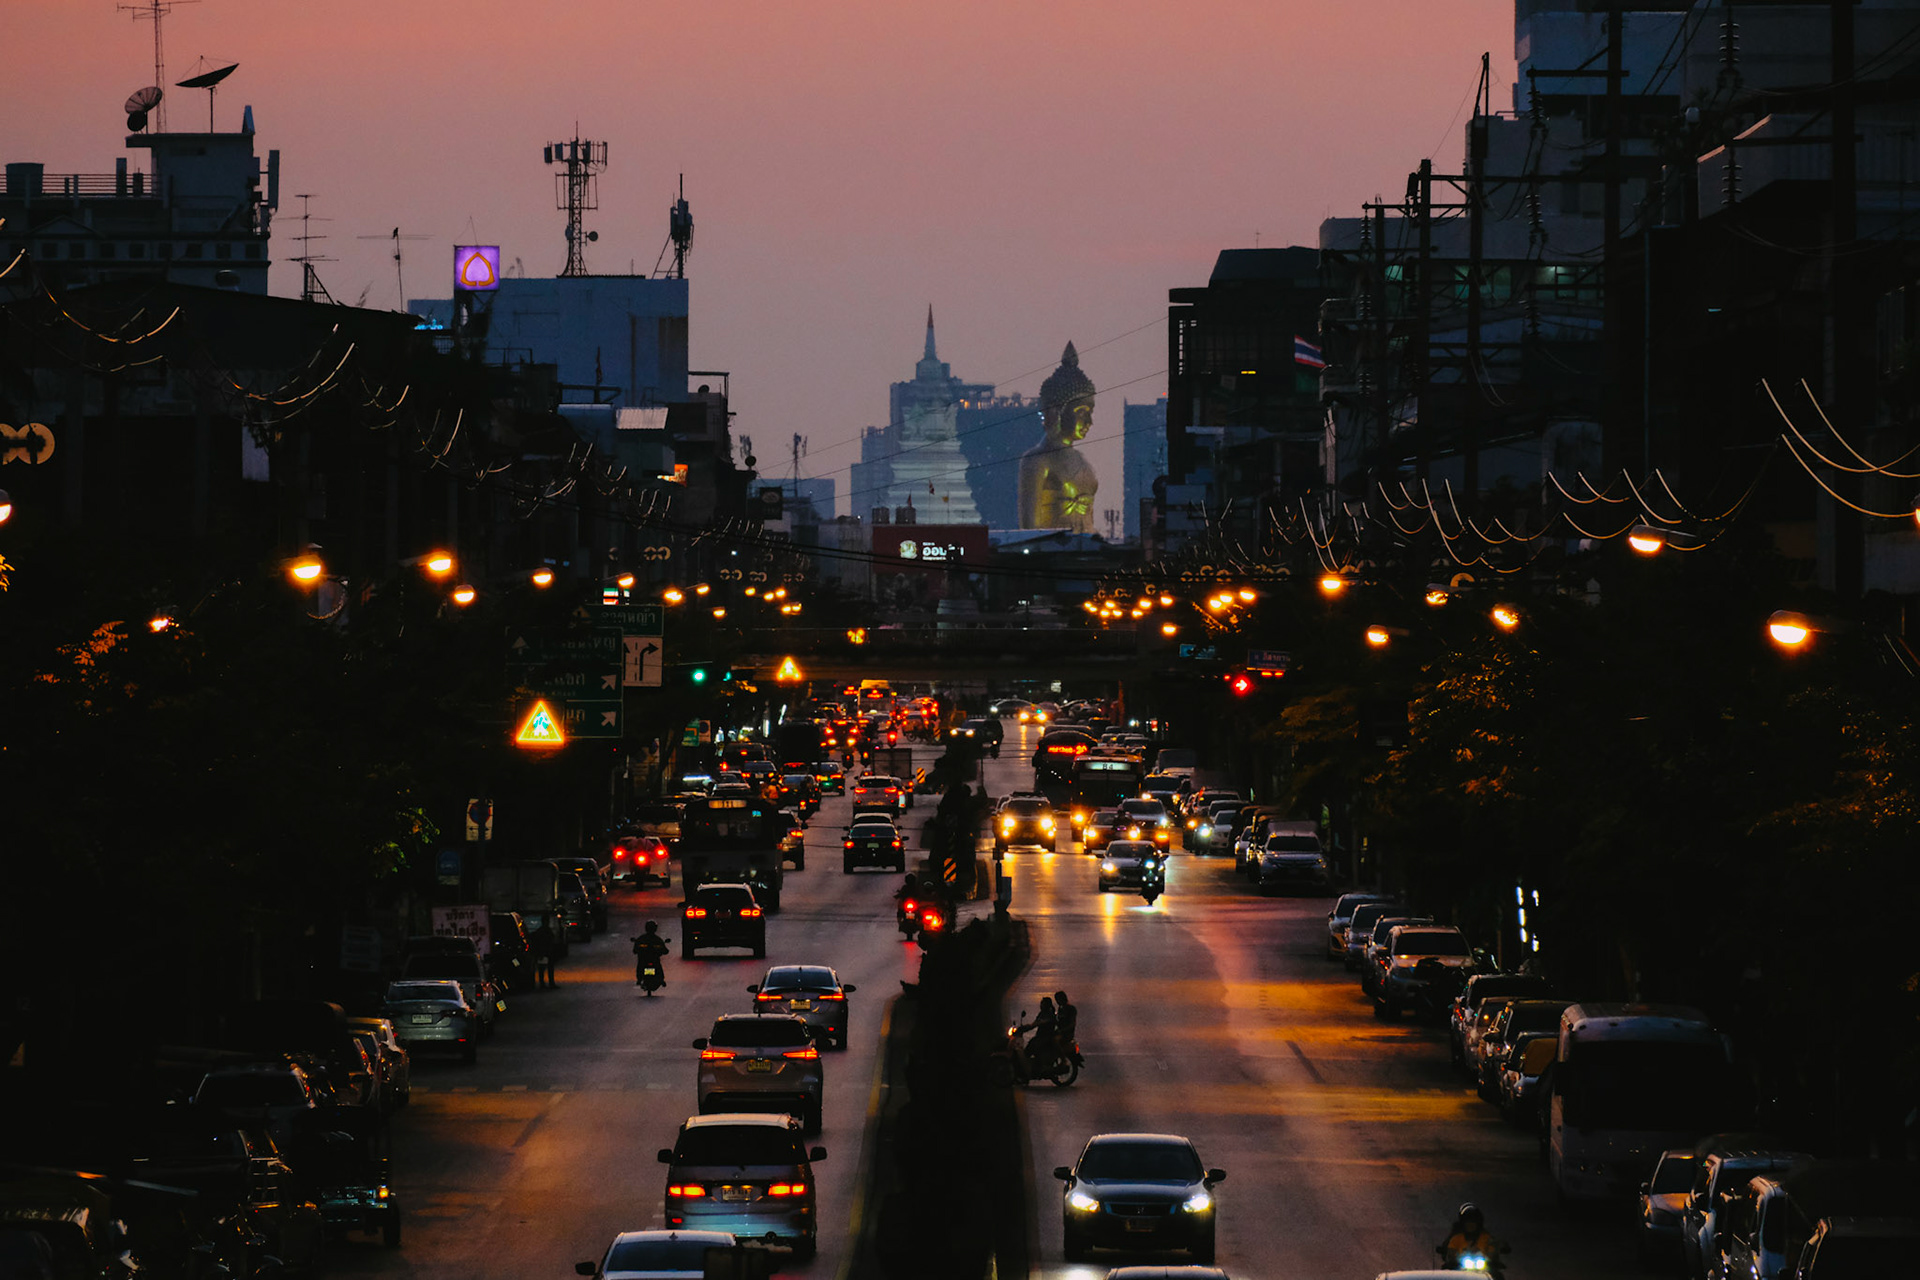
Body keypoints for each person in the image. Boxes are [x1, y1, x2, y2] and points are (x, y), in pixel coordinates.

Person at [1437, 1203, 1505, 1272]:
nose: (1470, 1225)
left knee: (1497, 1275)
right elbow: (1451, 1253)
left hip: (1484, 1270)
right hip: (1460, 1269)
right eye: (1467, 1222)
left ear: (1478, 1223)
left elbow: (1492, 1251)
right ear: (1463, 1223)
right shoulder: (1456, 1239)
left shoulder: (1486, 1238)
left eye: (1473, 1222)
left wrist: (1494, 1255)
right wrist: (1452, 1259)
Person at [632, 921, 670, 986]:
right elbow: (665, 951)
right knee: (645, 965)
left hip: (650, 959)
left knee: (645, 965)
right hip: (647, 959)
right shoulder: (656, 939)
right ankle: (660, 979)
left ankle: (640, 979)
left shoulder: (642, 939)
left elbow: (635, 950)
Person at [1053, 990, 1079, 1061]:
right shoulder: (1060, 1008)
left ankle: (1063, 1059)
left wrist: (1062, 1030)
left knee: (1055, 1040)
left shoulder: (1071, 1009)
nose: (1057, 1002)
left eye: (1058, 999)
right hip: (1060, 1032)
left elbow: (1072, 1024)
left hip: (1067, 1034)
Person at [531, 921, 558, 988]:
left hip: (542, 951)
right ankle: (550, 983)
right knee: (549, 968)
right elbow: (552, 939)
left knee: (542, 968)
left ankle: (542, 983)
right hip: (547, 951)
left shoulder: (540, 931)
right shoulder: (547, 931)